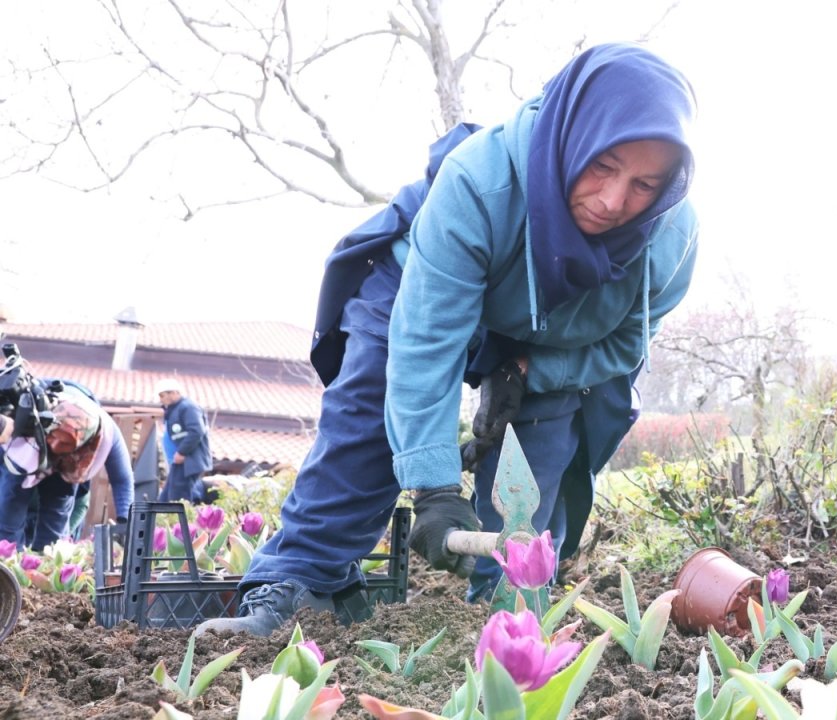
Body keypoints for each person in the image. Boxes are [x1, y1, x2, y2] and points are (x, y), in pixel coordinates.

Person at [198, 43, 697, 637]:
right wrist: (434, 489)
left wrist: (529, 374)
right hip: (421, 285)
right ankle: (302, 582)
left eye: (644, 185)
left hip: (544, 341)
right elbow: (426, 342)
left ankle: (507, 614)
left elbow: (621, 349)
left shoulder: (669, 245)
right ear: (571, 139)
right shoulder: (480, 182)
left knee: (536, 467)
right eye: (603, 166)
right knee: (372, 409)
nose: (615, 201)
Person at [0, 379, 135, 550]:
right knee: (8, 525)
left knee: (53, 536)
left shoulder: (107, 433)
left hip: (68, 471)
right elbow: (10, 511)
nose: (56, 446)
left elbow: (122, 478)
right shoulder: (25, 417)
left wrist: (125, 521)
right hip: (29, 448)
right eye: (54, 442)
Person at [155, 378, 212, 504]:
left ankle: (179, 523)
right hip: (179, 462)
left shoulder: (188, 407)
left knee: (179, 498)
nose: (161, 400)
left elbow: (196, 431)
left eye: (162, 395)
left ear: (173, 393)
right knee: (166, 498)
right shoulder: (175, 410)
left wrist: (182, 452)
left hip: (189, 461)